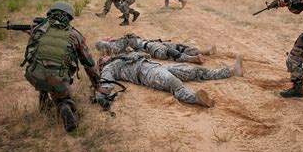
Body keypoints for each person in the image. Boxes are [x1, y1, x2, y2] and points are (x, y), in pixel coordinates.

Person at [22, 1, 100, 132]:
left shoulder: (38, 30)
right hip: (57, 78)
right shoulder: (75, 35)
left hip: (34, 75)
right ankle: (64, 106)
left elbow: (31, 55)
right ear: (69, 17)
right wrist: (97, 85)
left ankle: (44, 105)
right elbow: (88, 63)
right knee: (62, 96)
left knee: (44, 66)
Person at [94, 50, 243, 108]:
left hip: (157, 65)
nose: (105, 56)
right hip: (147, 74)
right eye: (102, 59)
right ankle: (196, 98)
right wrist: (102, 93)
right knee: (174, 83)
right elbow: (106, 83)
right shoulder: (109, 67)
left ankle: (230, 72)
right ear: (102, 64)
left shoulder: (120, 56)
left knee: (194, 71)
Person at [95, 33, 217, 64]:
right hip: (148, 48)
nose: (109, 37)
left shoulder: (119, 42)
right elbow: (127, 49)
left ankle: (204, 51)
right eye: (106, 38)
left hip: (151, 43)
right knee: (170, 52)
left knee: (178, 46)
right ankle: (192, 59)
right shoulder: (117, 47)